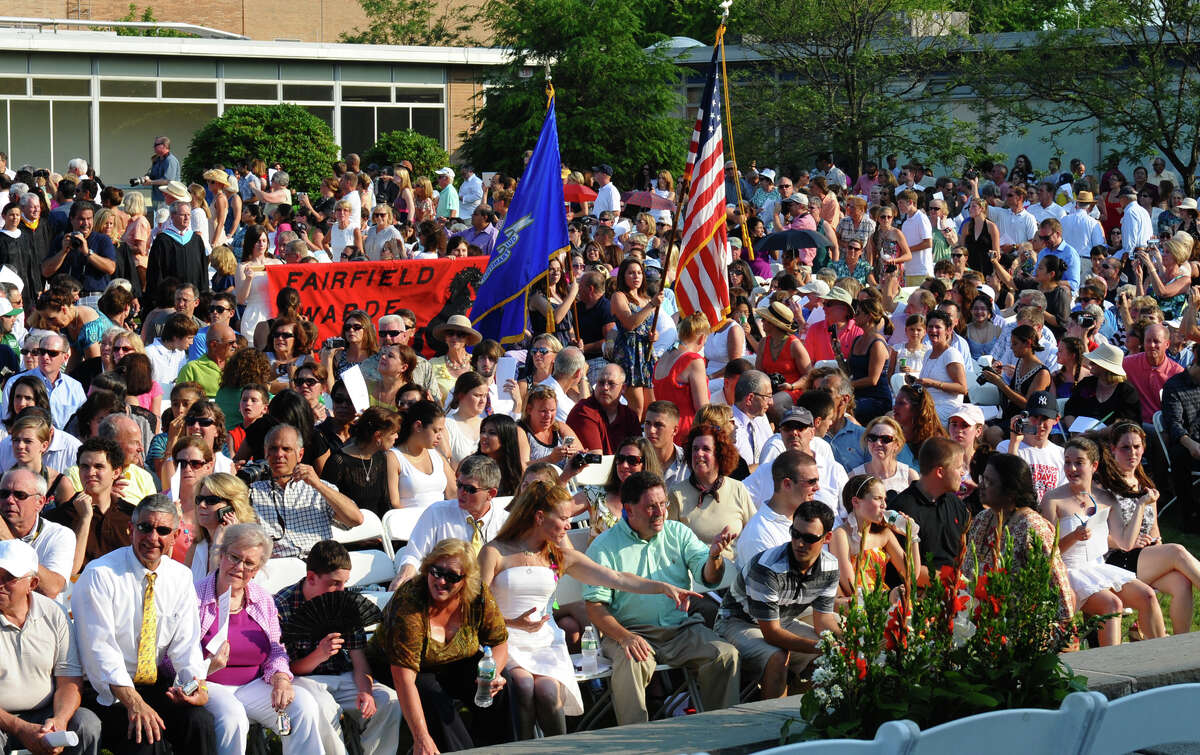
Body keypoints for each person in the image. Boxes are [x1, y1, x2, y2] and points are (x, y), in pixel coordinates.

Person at [481, 481, 700, 738]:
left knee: (549, 692)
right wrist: (511, 622)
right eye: (563, 519)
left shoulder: (558, 555)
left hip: (544, 641)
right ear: (540, 517)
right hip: (505, 639)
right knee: (523, 684)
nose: (568, 525)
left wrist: (662, 587)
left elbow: (617, 578)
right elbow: (475, 606)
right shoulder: (494, 552)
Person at [584, 471, 738, 724]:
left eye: (663, 504)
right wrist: (625, 637)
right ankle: (636, 744)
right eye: (650, 507)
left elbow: (708, 577)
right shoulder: (604, 546)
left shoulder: (678, 533)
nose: (660, 512)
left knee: (724, 655)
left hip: (679, 629)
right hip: (629, 630)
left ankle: (722, 736)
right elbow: (594, 606)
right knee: (631, 663)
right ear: (629, 510)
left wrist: (714, 557)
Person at [72, 495, 216, 755]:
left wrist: (197, 688)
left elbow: (187, 649)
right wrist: (134, 703)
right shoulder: (100, 575)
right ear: (131, 529)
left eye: (162, 531)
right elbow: (99, 652)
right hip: (104, 693)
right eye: (145, 527)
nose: (152, 537)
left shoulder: (180, 577)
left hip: (153, 684)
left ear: (174, 537)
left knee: (200, 721)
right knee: (147, 738)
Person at [367, 538, 511, 753]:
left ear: (466, 579)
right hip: (401, 666)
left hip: (453, 661)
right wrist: (421, 737)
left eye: (451, 576)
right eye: (436, 571)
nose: (441, 581)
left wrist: (492, 675)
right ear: (427, 568)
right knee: (434, 697)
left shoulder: (477, 596)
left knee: (498, 689)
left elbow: (498, 642)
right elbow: (403, 678)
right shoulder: (410, 602)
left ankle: (497, 749)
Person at [193, 523, 324, 754]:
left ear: (257, 570)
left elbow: (276, 650)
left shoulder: (262, 600)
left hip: (252, 684)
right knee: (232, 717)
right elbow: (171, 661)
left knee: (303, 705)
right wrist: (207, 666)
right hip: (209, 684)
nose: (238, 567)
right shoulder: (195, 597)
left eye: (249, 563)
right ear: (221, 555)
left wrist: (281, 679)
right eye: (233, 557)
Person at [275, 541, 402, 755]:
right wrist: (318, 655)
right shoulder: (282, 605)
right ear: (311, 578)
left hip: (345, 675)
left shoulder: (346, 603)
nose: (341, 590)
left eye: (344, 583)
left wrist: (366, 691)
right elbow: (285, 670)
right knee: (323, 708)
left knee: (388, 701)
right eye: (334, 583)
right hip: (301, 680)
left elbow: (359, 660)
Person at [1042, 437, 1164, 644]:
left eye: (1078, 462)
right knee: (1113, 605)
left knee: (1147, 596)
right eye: (1067, 462)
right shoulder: (1053, 499)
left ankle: (1164, 657)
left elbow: (1125, 543)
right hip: (1068, 572)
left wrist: (1141, 505)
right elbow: (1049, 553)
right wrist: (1073, 537)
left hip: (1097, 568)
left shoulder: (1105, 498)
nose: (1071, 468)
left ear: (1094, 465)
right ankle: (1113, 670)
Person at [716, 500, 840, 699]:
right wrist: (821, 646)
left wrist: (848, 641)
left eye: (809, 538)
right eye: (795, 534)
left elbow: (824, 622)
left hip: (780, 622)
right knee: (778, 657)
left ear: (827, 538)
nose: (799, 543)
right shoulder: (768, 567)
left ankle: (803, 712)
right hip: (737, 623)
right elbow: (772, 634)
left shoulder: (830, 566)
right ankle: (773, 723)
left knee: (831, 651)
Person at [0, 538, 101, 755]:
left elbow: (69, 679)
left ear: (33, 584)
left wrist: (60, 720)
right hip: (2, 719)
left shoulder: (54, 613)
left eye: (9, 578)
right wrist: (19, 728)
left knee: (86, 725)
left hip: (45, 713)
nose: (0, 584)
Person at [964, 454, 1074, 624]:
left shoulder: (1033, 526)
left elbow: (1057, 578)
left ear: (1010, 492)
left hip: (1021, 625)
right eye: (982, 479)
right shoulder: (981, 519)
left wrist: (1065, 628)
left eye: (989, 482)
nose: (982, 486)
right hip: (977, 620)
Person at [389, 454, 508, 589]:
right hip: (445, 590)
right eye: (459, 485)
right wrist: (405, 573)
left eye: (470, 489)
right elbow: (414, 556)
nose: (461, 492)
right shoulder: (437, 513)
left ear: (491, 493)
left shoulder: (506, 522)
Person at [249, 424, 363, 559]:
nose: (279, 454)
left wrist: (318, 485)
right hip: (278, 570)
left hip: (319, 567)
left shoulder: (318, 488)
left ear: (300, 455)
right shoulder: (251, 490)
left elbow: (356, 519)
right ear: (265, 452)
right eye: (273, 448)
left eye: (287, 449)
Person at [667, 423, 756, 564]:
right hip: (693, 577)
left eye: (706, 449)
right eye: (695, 449)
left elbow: (753, 533)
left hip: (733, 573)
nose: (698, 454)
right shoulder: (676, 493)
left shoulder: (738, 489)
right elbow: (669, 544)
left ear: (719, 455)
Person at [829, 475, 919, 596]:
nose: (884, 505)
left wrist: (912, 536)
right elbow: (852, 588)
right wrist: (887, 597)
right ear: (856, 501)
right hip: (858, 607)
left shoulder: (884, 534)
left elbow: (911, 575)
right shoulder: (841, 535)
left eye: (885, 499)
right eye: (878, 498)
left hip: (883, 600)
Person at [890, 437, 968, 573]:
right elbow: (904, 569)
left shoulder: (955, 503)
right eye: (959, 467)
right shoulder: (903, 510)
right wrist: (952, 581)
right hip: (922, 591)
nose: (963, 473)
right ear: (940, 472)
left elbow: (966, 552)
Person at [735, 450, 822, 570]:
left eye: (817, 481)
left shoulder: (802, 521)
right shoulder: (760, 535)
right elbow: (766, 587)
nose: (817, 488)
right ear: (787, 484)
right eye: (811, 482)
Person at [0, 467, 75, 598]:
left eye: (20, 495)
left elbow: (51, 589)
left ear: (40, 503)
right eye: (4, 494)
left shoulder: (60, 535)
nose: (9, 500)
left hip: (40, 615)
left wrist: (9, 541)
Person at [320, 407, 399, 518]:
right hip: (345, 530)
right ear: (378, 436)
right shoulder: (338, 462)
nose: (397, 437)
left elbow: (384, 503)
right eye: (393, 433)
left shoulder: (381, 458)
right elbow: (325, 504)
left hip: (376, 531)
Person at [1, 333, 85, 430]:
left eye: (52, 353)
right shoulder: (14, 383)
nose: (45, 357)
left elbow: (82, 423)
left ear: (65, 358)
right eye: (41, 351)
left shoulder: (75, 387)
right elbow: (7, 423)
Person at [184, 472, 255, 581]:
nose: (202, 505)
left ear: (232, 507)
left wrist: (220, 543)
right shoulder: (196, 547)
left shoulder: (247, 549)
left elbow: (218, 590)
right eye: (199, 499)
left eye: (211, 500)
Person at [652, 314, 710, 444]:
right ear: (702, 338)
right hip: (686, 433)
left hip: (662, 431)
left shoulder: (663, 358)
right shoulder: (694, 361)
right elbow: (702, 408)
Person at [997, 390, 1065, 501]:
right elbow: (1006, 485)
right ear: (1025, 417)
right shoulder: (1005, 447)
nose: (1040, 424)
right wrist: (1014, 442)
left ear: (1056, 419)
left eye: (1044, 418)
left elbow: (1062, 497)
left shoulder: (1061, 454)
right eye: (1035, 417)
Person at [391, 400, 455, 510]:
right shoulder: (393, 457)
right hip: (409, 523)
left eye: (441, 431)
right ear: (418, 426)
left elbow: (453, 493)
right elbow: (394, 503)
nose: (440, 436)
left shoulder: (438, 455)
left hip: (440, 522)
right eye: (436, 431)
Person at [566, 363, 640, 454]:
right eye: (601, 382)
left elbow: (638, 453)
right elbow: (596, 458)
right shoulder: (584, 410)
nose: (605, 387)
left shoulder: (630, 416)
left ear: (623, 388)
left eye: (611, 383)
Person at [916, 310, 967, 424]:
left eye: (938, 327)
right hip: (928, 405)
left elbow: (962, 388)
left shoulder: (951, 354)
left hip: (946, 408)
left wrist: (933, 384)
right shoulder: (928, 353)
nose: (933, 330)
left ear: (948, 330)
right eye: (930, 326)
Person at [847, 296, 891, 422]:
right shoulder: (857, 340)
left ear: (869, 317)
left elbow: (873, 380)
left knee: (845, 409)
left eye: (858, 313)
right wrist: (838, 353)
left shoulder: (877, 344)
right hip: (858, 395)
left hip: (877, 399)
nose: (855, 315)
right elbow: (848, 371)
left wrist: (846, 385)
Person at [755, 301, 810, 401]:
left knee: (774, 403)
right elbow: (759, 373)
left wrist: (791, 386)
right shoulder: (763, 343)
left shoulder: (794, 345)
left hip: (793, 390)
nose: (762, 321)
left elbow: (808, 375)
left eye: (764, 319)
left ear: (772, 324)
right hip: (769, 390)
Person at [852, 416, 918, 496]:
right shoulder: (854, 477)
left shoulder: (909, 477)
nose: (878, 443)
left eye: (886, 439)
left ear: (897, 444)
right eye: (873, 437)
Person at [176, 324, 236, 399]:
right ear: (213, 345)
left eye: (235, 342)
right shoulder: (191, 369)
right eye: (231, 343)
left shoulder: (237, 366)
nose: (235, 345)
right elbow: (180, 400)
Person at [730, 370, 774, 470]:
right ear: (750, 398)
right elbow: (734, 473)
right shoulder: (728, 426)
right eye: (768, 396)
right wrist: (771, 464)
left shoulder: (762, 418)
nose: (771, 402)